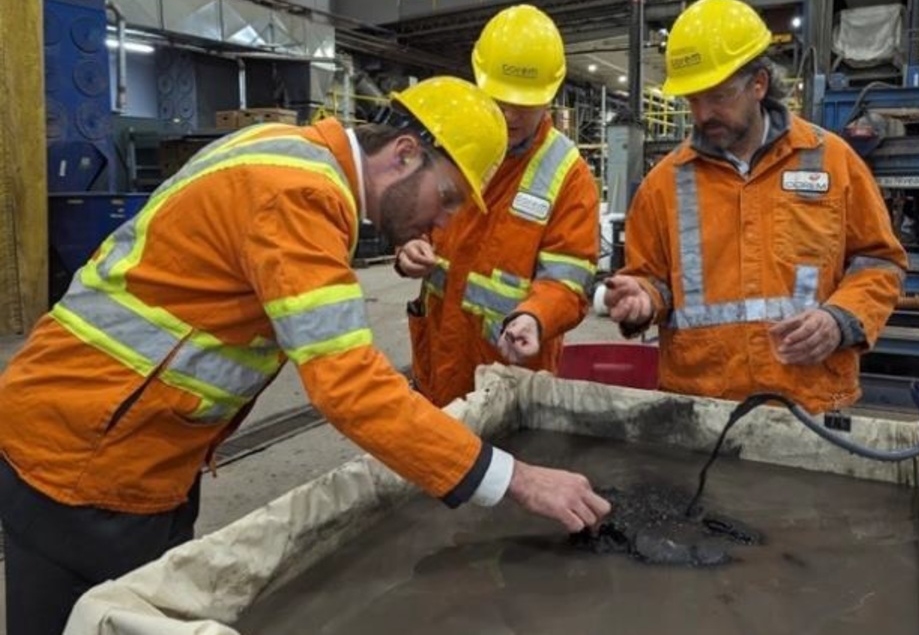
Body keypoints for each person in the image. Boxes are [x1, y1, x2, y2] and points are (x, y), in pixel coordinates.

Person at [0, 76, 610, 635]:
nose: (444, 223)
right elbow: (349, 385)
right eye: (448, 198)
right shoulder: (299, 195)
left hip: (129, 441)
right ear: (404, 154)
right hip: (88, 455)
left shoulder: (285, 152)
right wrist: (516, 478)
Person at [603, 0, 908, 414]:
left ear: (759, 84)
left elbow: (879, 262)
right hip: (700, 404)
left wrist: (840, 320)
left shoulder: (832, 161)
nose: (703, 114)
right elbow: (651, 278)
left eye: (718, 96)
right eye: (693, 100)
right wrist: (642, 299)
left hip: (808, 398)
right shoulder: (664, 185)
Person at [395, 5, 600, 407]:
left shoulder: (568, 176)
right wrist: (408, 248)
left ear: (549, 96)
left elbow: (568, 281)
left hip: (509, 382)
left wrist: (535, 316)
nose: (508, 114)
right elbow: (415, 219)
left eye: (523, 103)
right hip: (436, 367)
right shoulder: (453, 143)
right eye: (499, 98)